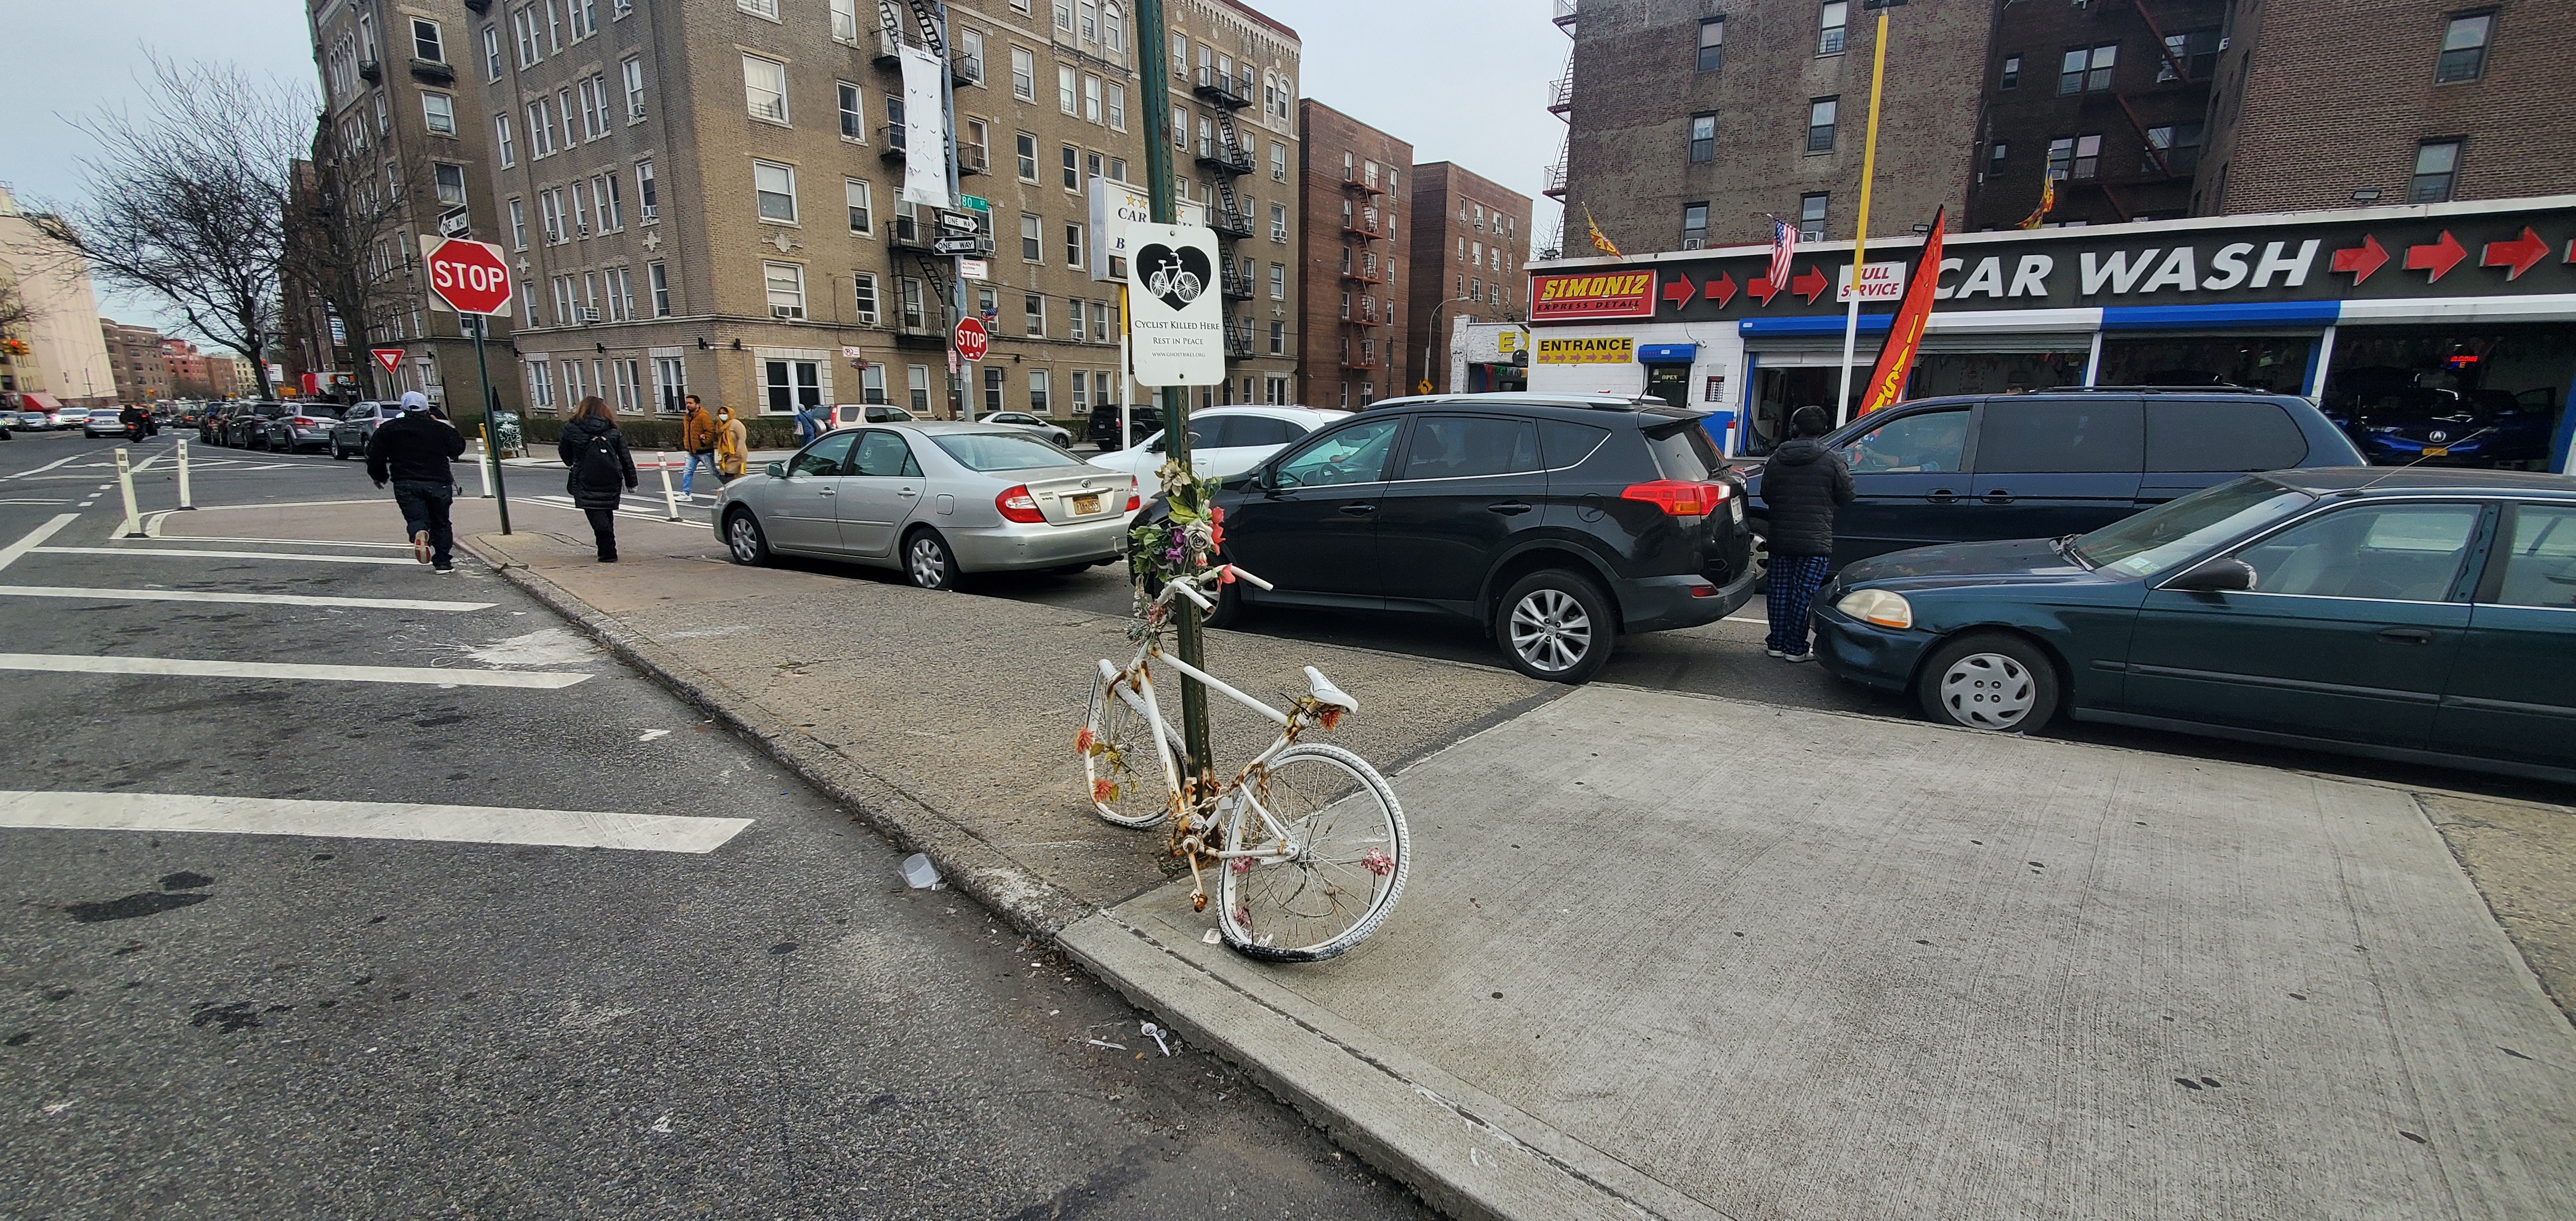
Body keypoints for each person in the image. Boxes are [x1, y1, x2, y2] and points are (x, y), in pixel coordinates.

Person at [1757, 405, 1854, 663]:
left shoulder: (1777, 457)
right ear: (1822, 430)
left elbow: (1766, 495)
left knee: (1779, 590)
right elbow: (1846, 496)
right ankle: (1796, 648)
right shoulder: (1832, 459)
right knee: (1803, 593)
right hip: (1815, 540)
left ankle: (1776, 643)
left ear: (1795, 428)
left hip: (1780, 538)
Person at [364, 390, 469, 572]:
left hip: (406, 482)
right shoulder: (439, 429)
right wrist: (441, 427)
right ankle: (443, 562)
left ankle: (420, 532)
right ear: (426, 409)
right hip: (439, 482)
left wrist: (379, 476)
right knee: (442, 522)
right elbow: (457, 449)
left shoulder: (390, 429)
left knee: (416, 517)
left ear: (402, 408)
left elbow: (375, 455)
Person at [558, 395, 640, 562]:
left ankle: (607, 551)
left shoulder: (572, 427)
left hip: (585, 476)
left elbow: (564, 451)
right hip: (611, 478)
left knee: (595, 512)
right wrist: (632, 482)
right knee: (607, 511)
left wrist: (573, 463)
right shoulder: (612, 429)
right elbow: (625, 458)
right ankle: (607, 548)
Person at [677, 395, 719, 498]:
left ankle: (730, 486)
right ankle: (686, 493)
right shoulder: (687, 417)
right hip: (691, 451)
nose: (688, 405)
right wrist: (686, 444)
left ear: (697, 404)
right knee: (688, 471)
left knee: (713, 472)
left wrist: (704, 441)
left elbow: (710, 430)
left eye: (690, 403)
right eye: (687, 403)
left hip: (704, 451)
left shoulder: (703, 416)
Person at [713, 405, 748, 484]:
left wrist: (738, 452)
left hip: (737, 453)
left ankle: (731, 489)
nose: (722, 415)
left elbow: (742, 438)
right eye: (720, 413)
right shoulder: (720, 425)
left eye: (724, 413)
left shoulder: (736, 423)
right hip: (727, 454)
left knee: (730, 473)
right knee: (731, 475)